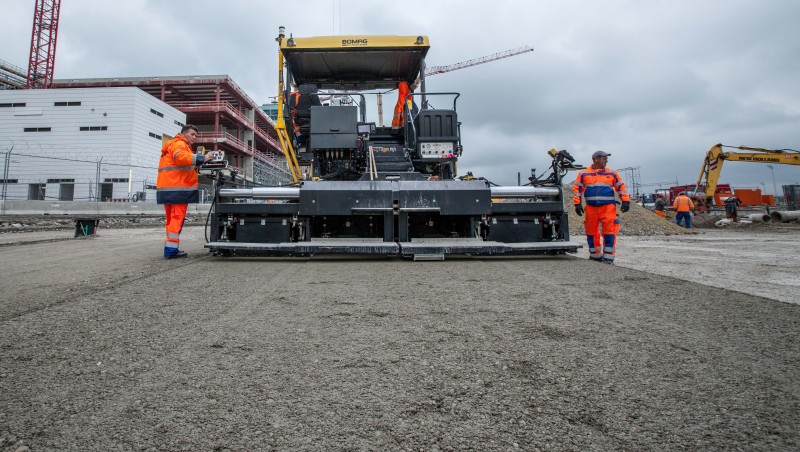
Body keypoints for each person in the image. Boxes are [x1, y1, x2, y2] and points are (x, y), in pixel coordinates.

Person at [156, 125, 213, 259]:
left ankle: (170, 248)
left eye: (195, 135)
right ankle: (171, 251)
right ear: (183, 134)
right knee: (177, 219)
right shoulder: (180, 144)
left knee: (171, 220)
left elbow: (182, 163)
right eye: (192, 134)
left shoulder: (172, 145)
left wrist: (197, 163)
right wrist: (204, 158)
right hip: (178, 189)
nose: (194, 137)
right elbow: (181, 158)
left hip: (168, 189)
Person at [573, 150, 630, 264]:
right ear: (596, 159)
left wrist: (625, 201)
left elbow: (621, 187)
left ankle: (608, 258)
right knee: (591, 232)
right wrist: (577, 204)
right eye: (604, 158)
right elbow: (577, 189)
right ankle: (595, 256)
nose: (606, 160)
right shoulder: (583, 173)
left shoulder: (612, 173)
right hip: (591, 208)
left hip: (608, 208)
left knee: (609, 231)